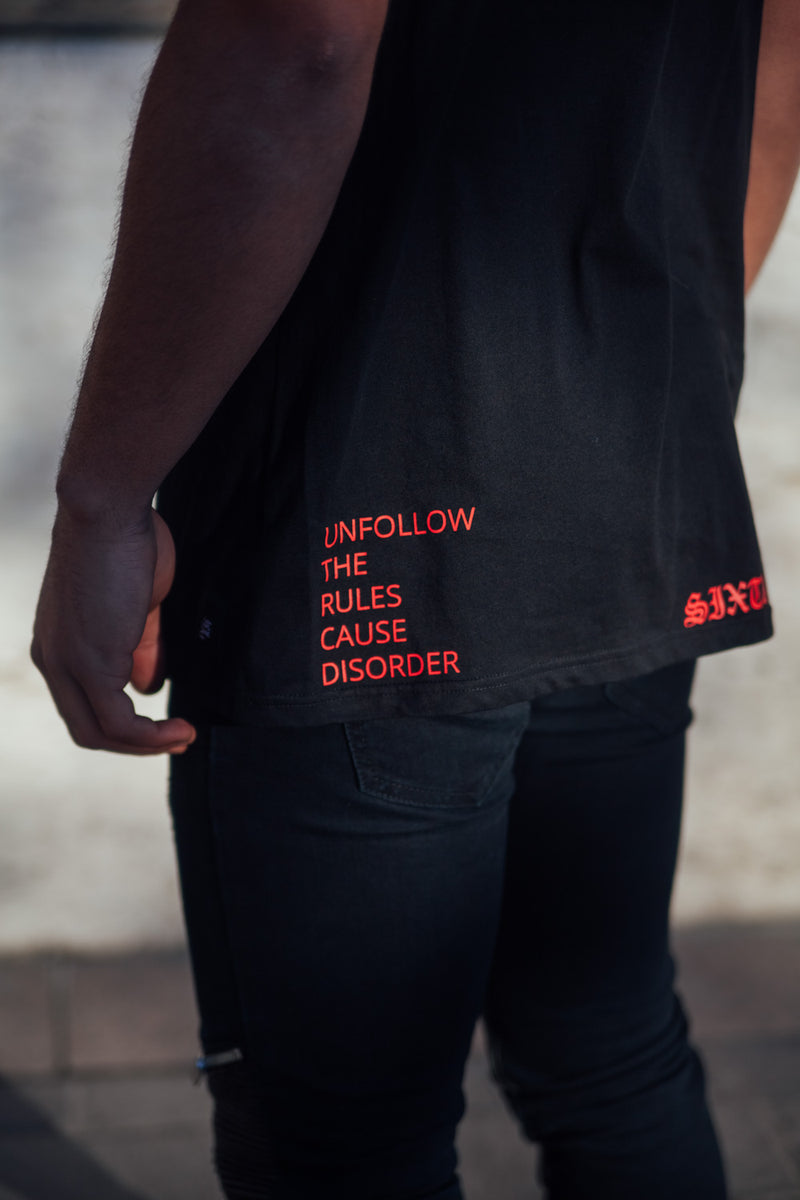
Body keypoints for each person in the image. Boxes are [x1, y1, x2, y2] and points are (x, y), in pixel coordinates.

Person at [31, 0, 800, 1196]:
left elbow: (295, 41)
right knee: (608, 1055)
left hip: (362, 490)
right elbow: (773, 51)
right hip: (624, 473)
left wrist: (104, 498)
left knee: (344, 1149)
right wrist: (649, 393)